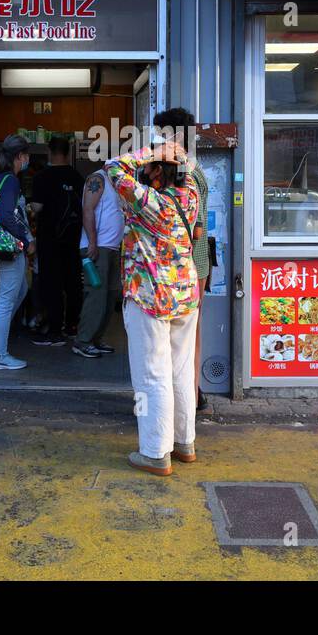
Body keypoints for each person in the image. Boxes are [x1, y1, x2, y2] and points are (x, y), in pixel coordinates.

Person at [105, 141, 200, 476]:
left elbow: (113, 167)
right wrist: (176, 152)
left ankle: (155, 452)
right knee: (181, 369)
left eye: (148, 168)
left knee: (151, 374)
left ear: (158, 170)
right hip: (186, 297)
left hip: (149, 297)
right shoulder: (190, 197)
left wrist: (149, 151)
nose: (142, 171)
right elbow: (187, 170)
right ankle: (184, 442)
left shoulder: (147, 201)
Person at [154, 108, 211, 412]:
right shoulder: (187, 168)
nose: (156, 141)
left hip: (189, 264)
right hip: (191, 264)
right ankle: (190, 396)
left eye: (161, 134)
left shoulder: (186, 172)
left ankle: (190, 396)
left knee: (187, 336)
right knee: (185, 334)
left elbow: (198, 230)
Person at [29, 135, 85, 350]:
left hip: (50, 238)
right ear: (68, 153)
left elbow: (37, 207)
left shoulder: (42, 177)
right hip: (74, 238)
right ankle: (72, 326)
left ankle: (54, 330)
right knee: (73, 283)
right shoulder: (78, 177)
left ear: (50, 152)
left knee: (51, 284)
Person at [0, 134, 34, 370]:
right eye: (26, 156)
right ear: (19, 157)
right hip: (10, 247)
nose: (28, 160)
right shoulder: (11, 181)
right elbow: (5, 216)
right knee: (6, 300)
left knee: (20, 289)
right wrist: (25, 239)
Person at [72, 155, 125, 358]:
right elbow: (88, 210)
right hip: (98, 247)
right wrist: (92, 242)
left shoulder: (117, 183)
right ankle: (83, 341)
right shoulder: (97, 179)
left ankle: (96, 338)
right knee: (96, 295)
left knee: (110, 295)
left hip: (112, 248)